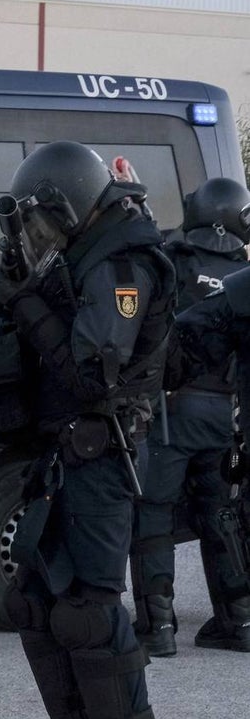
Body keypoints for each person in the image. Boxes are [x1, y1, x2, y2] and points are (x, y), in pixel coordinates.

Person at [0, 141, 172, 719]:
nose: (37, 235)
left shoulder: (121, 264)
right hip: (66, 453)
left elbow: (91, 378)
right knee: (34, 602)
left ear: (70, 204)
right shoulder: (89, 252)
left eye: (40, 221)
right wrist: (10, 301)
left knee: (88, 614)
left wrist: (25, 301)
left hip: (104, 453)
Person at [130, 177, 250, 657]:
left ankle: (158, 628)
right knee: (223, 515)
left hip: (174, 408)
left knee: (154, 513)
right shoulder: (244, 272)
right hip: (229, 412)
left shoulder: (173, 258)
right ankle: (238, 621)